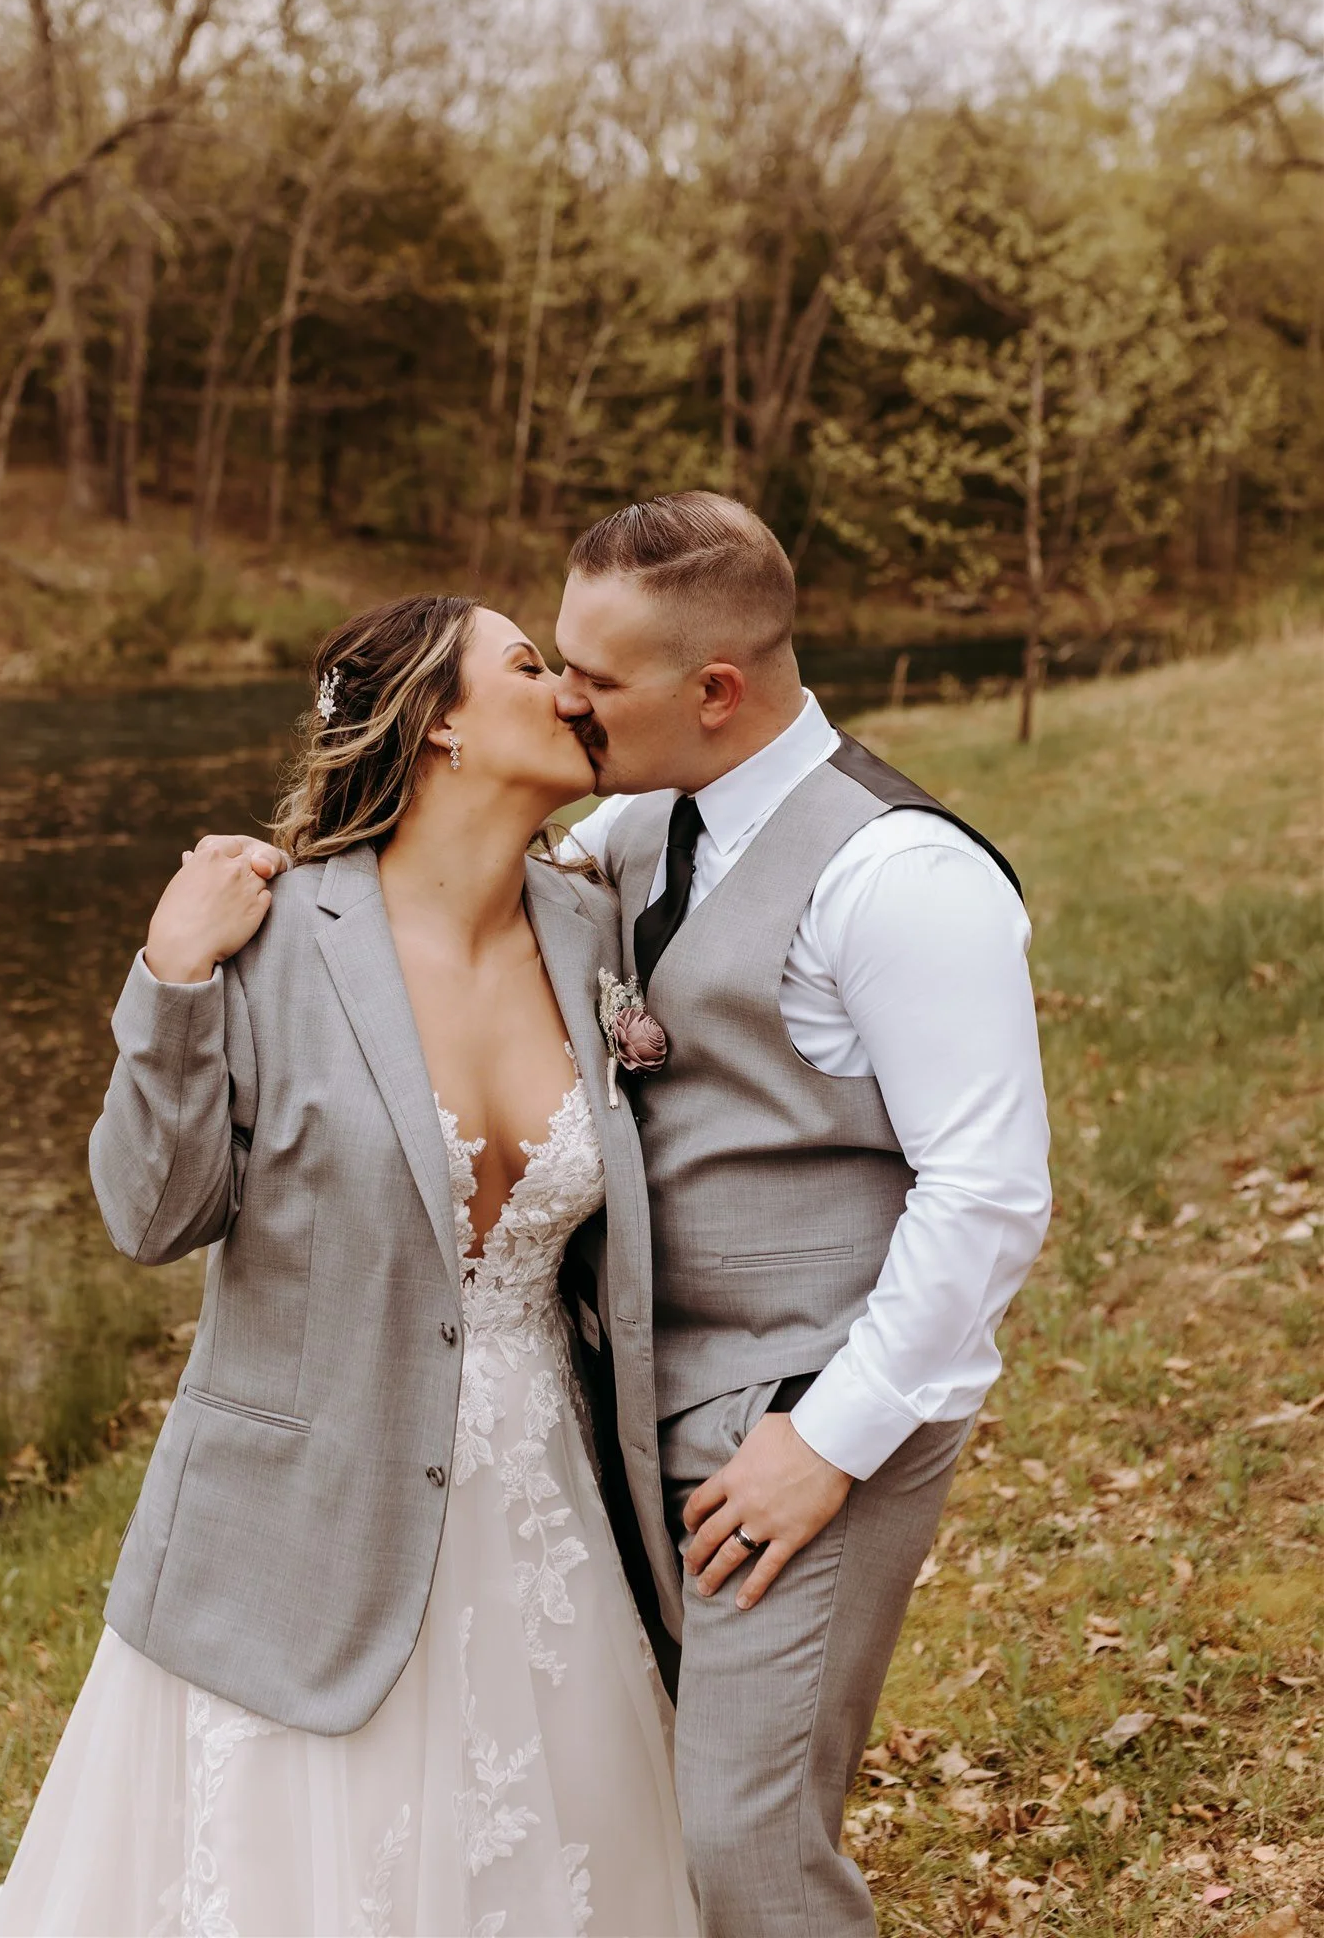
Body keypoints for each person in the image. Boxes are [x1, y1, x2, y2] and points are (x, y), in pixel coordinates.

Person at [0, 596, 696, 1938]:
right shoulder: (274, 932)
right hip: (295, 1525)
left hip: (542, 1520)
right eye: (530, 665)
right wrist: (170, 977)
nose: (573, 691)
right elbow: (151, 1216)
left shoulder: (591, 928)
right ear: (440, 727)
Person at [549, 492, 1052, 1937]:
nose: (566, 700)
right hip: (652, 1388)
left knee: (749, 1842)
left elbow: (988, 1194)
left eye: (595, 677)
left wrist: (825, 1445)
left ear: (715, 691)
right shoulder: (640, 819)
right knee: (659, 1804)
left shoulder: (902, 877)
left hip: (811, 1402)